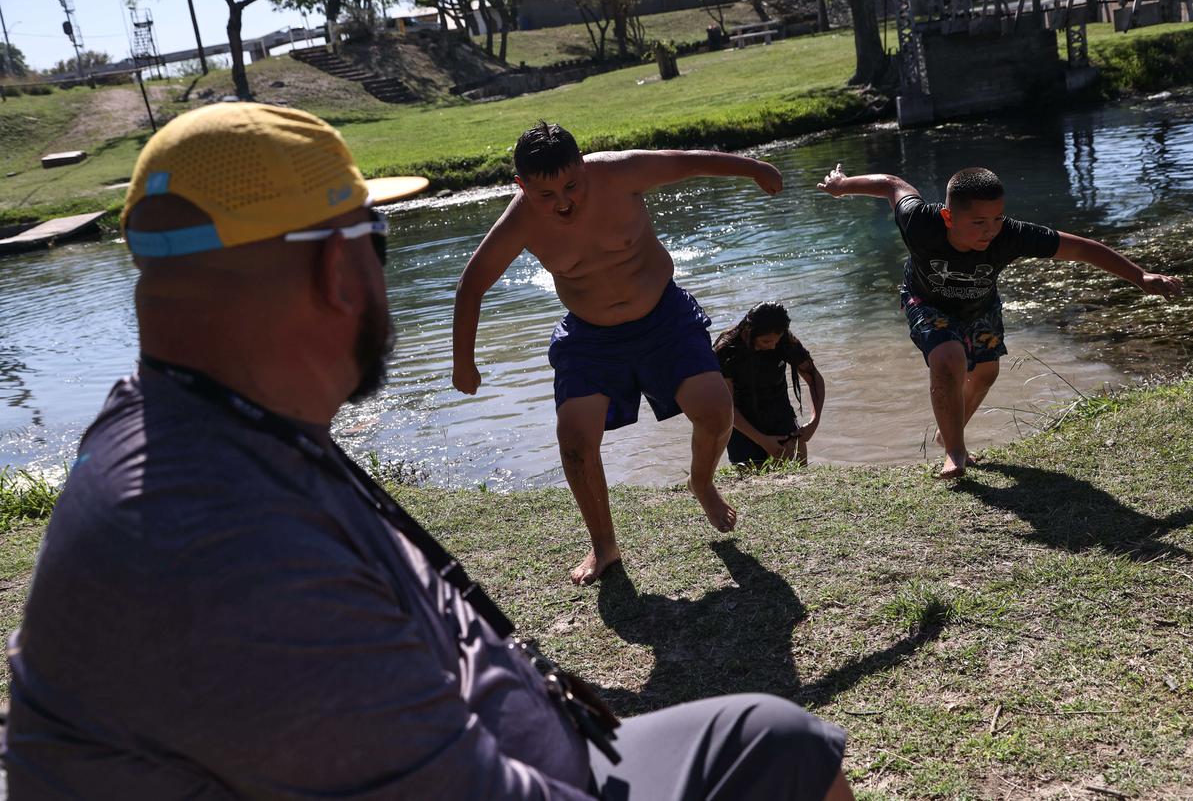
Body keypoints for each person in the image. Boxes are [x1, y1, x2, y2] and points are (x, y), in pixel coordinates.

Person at [1, 103, 855, 801]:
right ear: (340, 273)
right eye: (377, 241)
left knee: (772, 738)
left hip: (541, 738)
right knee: (784, 757)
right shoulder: (214, 545)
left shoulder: (202, 431)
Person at [453, 121, 784, 585]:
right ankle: (604, 546)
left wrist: (753, 168)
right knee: (575, 440)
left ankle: (702, 482)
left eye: (572, 185)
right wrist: (463, 361)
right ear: (521, 186)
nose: (563, 201)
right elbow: (472, 285)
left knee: (714, 410)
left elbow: (689, 162)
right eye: (546, 195)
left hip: (663, 319)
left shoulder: (622, 172)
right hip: (591, 339)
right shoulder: (520, 220)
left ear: (585, 166)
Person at [817, 164, 1184, 479]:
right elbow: (891, 185)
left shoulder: (1010, 234)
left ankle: (950, 433)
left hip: (981, 306)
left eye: (995, 218)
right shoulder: (920, 222)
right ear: (948, 216)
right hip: (925, 300)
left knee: (987, 373)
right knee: (948, 360)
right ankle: (955, 453)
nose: (989, 230)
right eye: (977, 222)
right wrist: (841, 186)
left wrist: (1140, 277)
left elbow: (1082, 248)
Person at [713, 301, 825, 467]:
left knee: (799, 477)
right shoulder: (726, 349)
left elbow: (813, 376)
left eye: (776, 340)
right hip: (742, 425)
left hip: (780, 416)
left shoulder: (784, 341)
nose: (773, 346)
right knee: (753, 483)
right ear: (749, 332)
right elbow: (726, 407)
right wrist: (762, 441)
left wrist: (814, 422)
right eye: (766, 341)